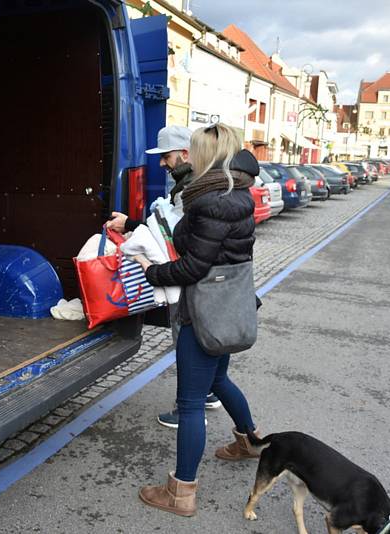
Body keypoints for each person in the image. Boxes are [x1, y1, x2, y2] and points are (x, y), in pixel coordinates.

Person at [133, 123, 262, 517]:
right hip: (231, 306)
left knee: (189, 404)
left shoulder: (208, 201)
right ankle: (249, 442)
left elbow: (193, 267)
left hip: (204, 312)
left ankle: (180, 493)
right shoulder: (238, 192)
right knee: (218, 378)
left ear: (206, 156)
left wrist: (151, 271)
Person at [108, 125, 223, 429]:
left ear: (186, 154)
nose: (161, 163)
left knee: (186, 345)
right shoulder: (200, 184)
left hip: (187, 283)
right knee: (207, 345)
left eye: (166, 156)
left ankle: (188, 409)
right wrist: (133, 223)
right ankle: (210, 393)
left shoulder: (191, 191)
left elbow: (172, 239)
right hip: (208, 284)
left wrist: (152, 268)